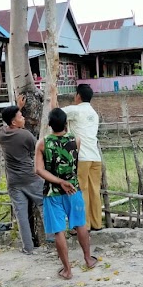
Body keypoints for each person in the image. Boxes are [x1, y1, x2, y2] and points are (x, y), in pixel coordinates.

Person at [35, 108, 98, 280]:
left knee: (58, 231)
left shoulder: (42, 143)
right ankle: (88, 259)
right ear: (66, 123)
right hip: (73, 189)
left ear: (49, 125)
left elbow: (39, 170)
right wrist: (65, 181)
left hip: (52, 192)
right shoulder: (76, 140)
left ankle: (67, 270)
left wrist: (59, 182)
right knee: (80, 225)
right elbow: (73, 164)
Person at [0, 95, 44, 255]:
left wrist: (18, 106)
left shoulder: (1, 134)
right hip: (30, 177)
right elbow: (36, 151)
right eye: (20, 116)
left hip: (13, 181)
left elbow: (6, 122)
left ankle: (28, 248)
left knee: (21, 214)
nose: (23, 118)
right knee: (44, 205)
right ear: (13, 122)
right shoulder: (26, 136)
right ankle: (52, 237)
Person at [53, 84, 103, 231]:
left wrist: (53, 95)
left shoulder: (75, 110)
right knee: (94, 190)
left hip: (82, 157)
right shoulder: (94, 114)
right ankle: (97, 223)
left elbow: (56, 114)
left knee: (81, 190)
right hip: (95, 157)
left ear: (78, 96)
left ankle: (84, 224)